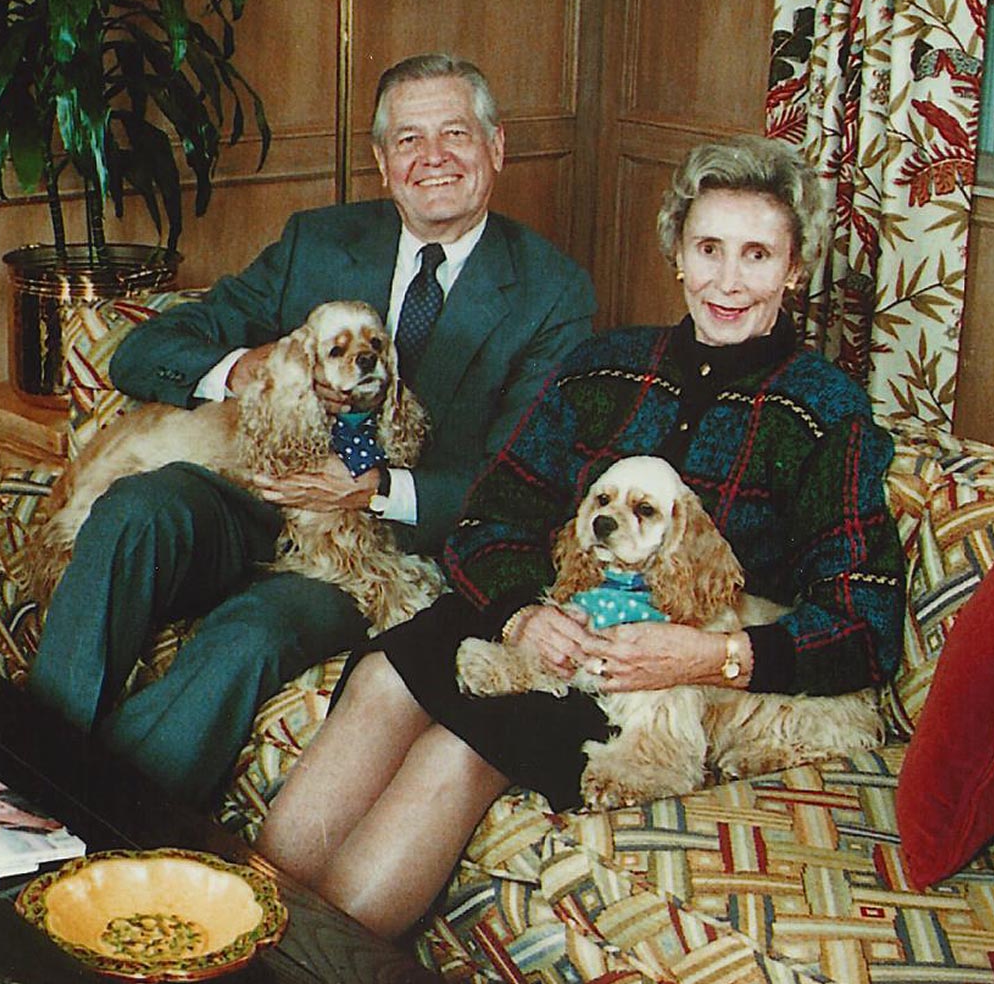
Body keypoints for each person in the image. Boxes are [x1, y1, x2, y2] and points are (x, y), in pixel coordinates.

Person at [256, 134, 907, 938]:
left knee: (458, 748)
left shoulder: (826, 408)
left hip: (645, 679)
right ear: (677, 253)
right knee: (383, 682)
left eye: (757, 256)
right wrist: (524, 613)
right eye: (708, 248)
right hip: (538, 618)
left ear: (795, 269)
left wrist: (708, 655)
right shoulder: (604, 366)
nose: (728, 282)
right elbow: (493, 518)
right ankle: (245, 937)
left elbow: (864, 625)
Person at [27, 53, 596, 805]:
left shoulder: (552, 292)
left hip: (366, 551)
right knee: (133, 511)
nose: (433, 159)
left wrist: (373, 490)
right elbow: (146, 352)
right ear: (381, 163)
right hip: (249, 499)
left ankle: (101, 816)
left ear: (496, 148)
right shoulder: (318, 242)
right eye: (407, 140)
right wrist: (248, 370)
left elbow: (517, 485)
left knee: (252, 634)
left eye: (455, 134)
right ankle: (27, 770)